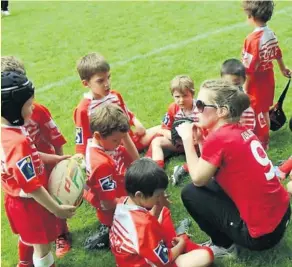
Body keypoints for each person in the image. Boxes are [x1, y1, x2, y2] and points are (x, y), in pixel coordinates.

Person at [176, 79, 290, 258]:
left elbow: (198, 178)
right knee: (211, 187)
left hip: (263, 236)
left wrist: (187, 140)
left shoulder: (220, 138)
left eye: (200, 104)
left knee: (190, 192)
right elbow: (213, 171)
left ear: (222, 111)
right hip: (282, 215)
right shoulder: (239, 129)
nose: (196, 109)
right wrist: (200, 142)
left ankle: (224, 246)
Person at [1, 71, 76, 267]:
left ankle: (24, 263)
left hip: (13, 200)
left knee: (29, 238)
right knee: (42, 248)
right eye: (29, 105)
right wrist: (57, 209)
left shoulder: (8, 131)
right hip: (29, 205)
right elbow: (32, 187)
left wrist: (57, 158)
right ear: (13, 109)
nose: (33, 108)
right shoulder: (18, 142)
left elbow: (31, 156)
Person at [110, 158, 214, 267]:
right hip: (149, 262)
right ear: (139, 195)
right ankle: (183, 246)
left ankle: (176, 245)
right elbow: (164, 259)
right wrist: (181, 245)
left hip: (135, 256)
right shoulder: (143, 225)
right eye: (157, 195)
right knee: (206, 255)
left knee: (164, 213)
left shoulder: (123, 202)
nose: (159, 198)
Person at [74, 52, 159, 157]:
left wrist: (136, 122)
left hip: (128, 141)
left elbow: (126, 115)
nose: (107, 84)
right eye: (100, 81)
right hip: (109, 152)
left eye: (108, 77)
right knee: (159, 140)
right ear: (86, 83)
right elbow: (82, 144)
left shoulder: (115, 96)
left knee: (163, 130)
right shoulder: (83, 109)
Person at [241, 0, 291, 149]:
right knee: (263, 110)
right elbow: (277, 51)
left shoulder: (252, 40)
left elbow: (250, 68)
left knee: (258, 112)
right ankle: (263, 138)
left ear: (252, 16)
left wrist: (245, 88)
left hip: (257, 81)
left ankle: (262, 141)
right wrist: (282, 68)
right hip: (268, 77)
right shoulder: (270, 33)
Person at [84, 104, 134, 249]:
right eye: (115, 140)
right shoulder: (101, 164)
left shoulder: (100, 146)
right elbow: (108, 202)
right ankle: (108, 234)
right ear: (98, 136)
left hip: (117, 198)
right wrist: (133, 203)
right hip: (115, 211)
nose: (119, 144)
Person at [146, 75, 197, 178]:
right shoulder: (173, 108)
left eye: (185, 96)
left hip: (196, 145)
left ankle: (185, 168)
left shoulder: (200, 110)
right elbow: (163, 129)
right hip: (178, 143)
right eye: (177, 97)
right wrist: (176, 137)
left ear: (192, 94)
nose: (181, 100)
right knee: (157, 141)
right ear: (172, 96)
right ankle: (155, 170)